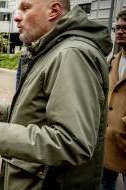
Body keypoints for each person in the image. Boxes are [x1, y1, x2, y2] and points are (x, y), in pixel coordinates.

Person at [0, 0, 112, 189]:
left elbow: (73, 142)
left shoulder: (71, 54)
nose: (16, 16)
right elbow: (43, 116)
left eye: (25, 8)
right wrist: (0, 111)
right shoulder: (51, 50)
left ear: (54, 11)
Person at [102, 10, 126, 190]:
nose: (119, 32)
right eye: (117, 28)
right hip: (109, 142)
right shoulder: (112, 61)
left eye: (124, 28)